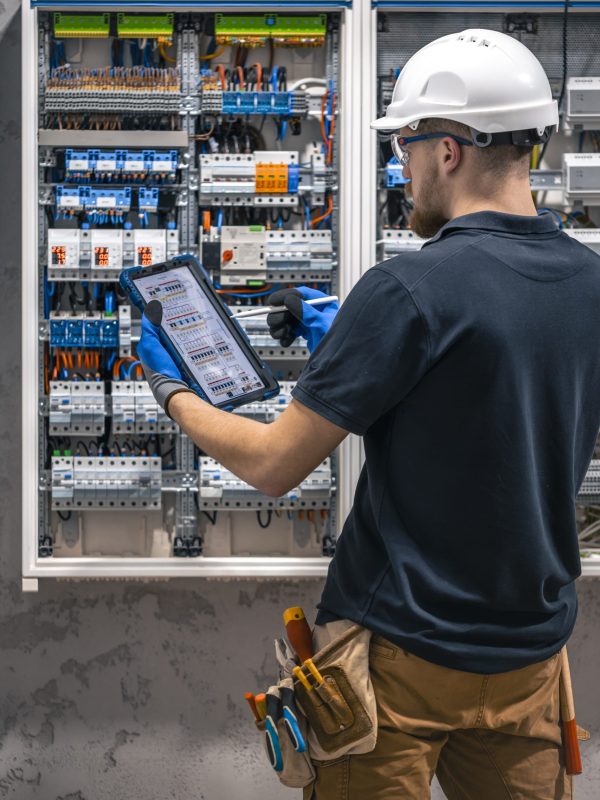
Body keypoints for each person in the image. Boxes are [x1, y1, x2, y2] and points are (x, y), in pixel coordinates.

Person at [138, 28, 600, 800]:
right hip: (530, 661)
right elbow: (499, 391)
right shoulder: (590, 283)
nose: (402, 166)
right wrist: (360, 347)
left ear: (448, 151)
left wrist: (172, 390)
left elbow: (274, 465)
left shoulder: (407, 292)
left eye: (408, 146)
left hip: (398, 663)